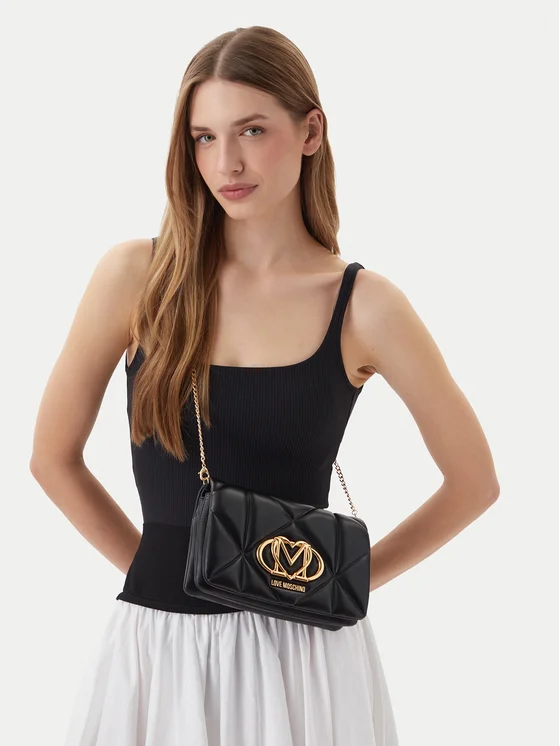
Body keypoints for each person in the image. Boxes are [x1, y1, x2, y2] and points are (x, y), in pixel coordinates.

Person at [30, 25, 500, 746]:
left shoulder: (365, 305)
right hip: (159, 645)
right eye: (204, 137)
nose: (227, 162)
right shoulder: (137, 278)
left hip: (305, 657)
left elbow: (474, 483)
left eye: (252, 130)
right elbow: (52, 459)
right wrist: (167, 570)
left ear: (311, 132)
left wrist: (340, 583)